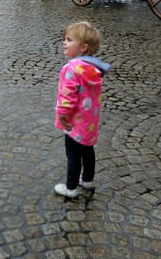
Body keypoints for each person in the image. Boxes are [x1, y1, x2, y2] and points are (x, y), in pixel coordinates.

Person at [54, 21, 110, 198]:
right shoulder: (93, 68)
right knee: (87, 150)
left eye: (69, 40)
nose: (64, 42)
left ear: (83, 47)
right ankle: (87, 180)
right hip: (89, 121)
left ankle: (71, 188)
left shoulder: (71, 69)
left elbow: (67, 95)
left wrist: (63, 114)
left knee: (73, 155)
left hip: (74, 121)